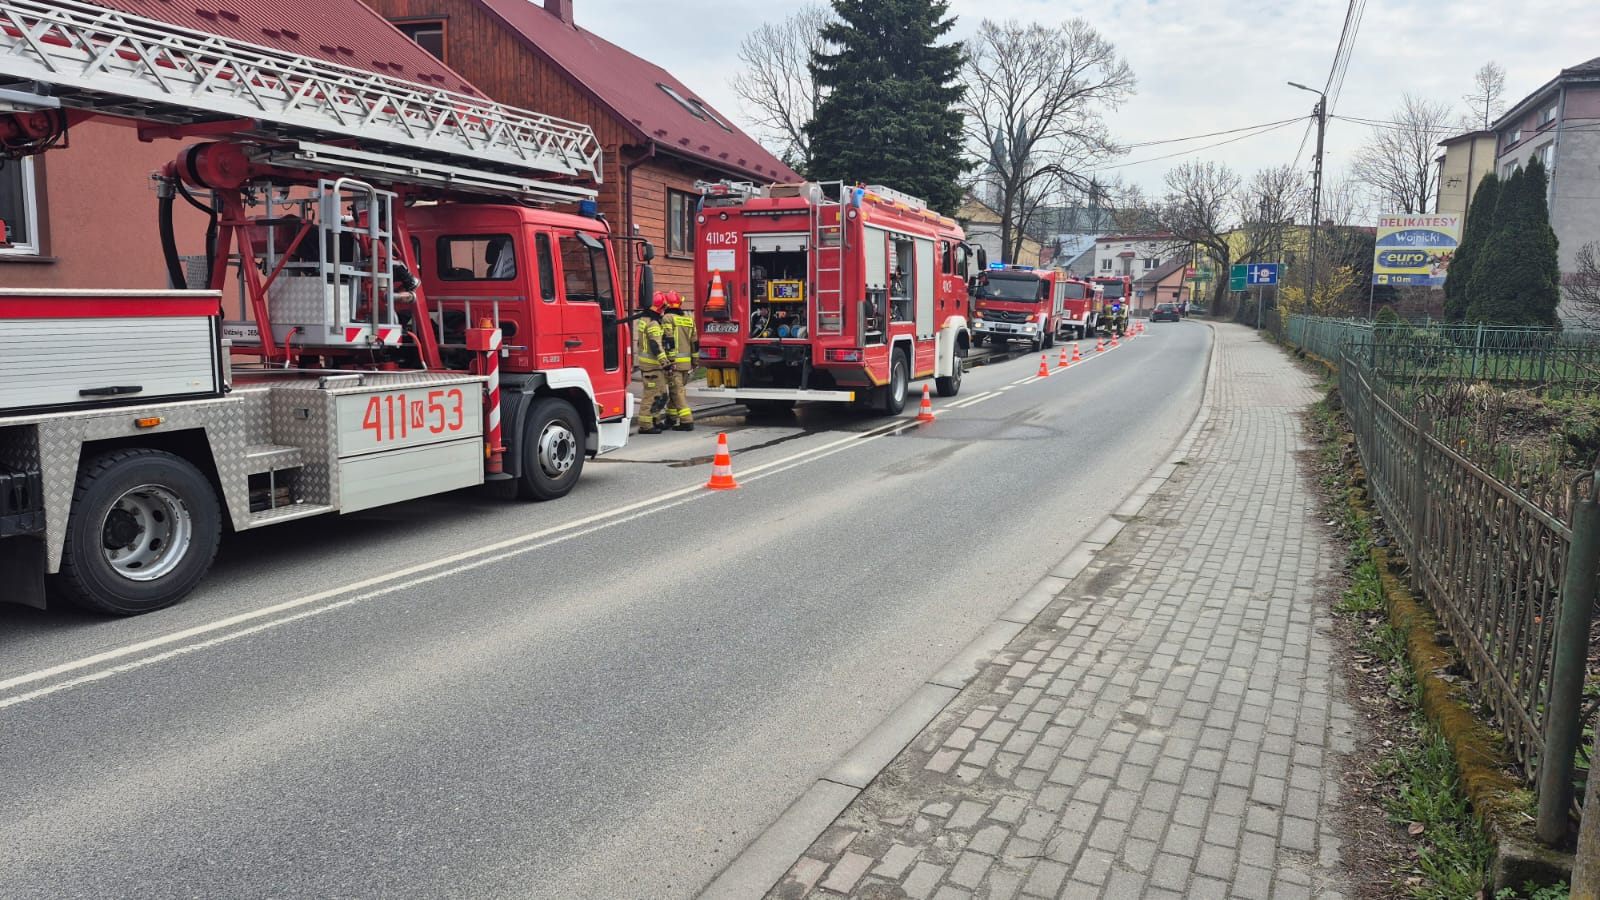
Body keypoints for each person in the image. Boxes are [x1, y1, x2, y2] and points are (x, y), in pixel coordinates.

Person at [635, 292, 671, 434]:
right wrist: (665, 363)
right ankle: (646, 425)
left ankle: (655, 420)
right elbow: (656, 345)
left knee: (661, 394)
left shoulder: (644, 320)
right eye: (663, 308)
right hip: (653, 366)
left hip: (651, 365)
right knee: (651, 395)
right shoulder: (653, 323)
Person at [663, 291, 696, 431]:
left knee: (677, 392)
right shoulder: (689, 319)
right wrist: (695, 361)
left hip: (675, 364)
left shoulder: (667, 318)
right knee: (676, 391)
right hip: (686, 364)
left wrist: (670, 361)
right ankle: (671, 418)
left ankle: (687, 421)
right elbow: (695, 342)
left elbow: (669, 340)